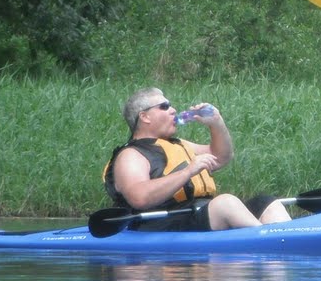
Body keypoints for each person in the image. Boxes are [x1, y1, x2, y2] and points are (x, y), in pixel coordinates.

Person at [103, 88, 291, 230]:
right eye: (164, 107)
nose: (173, 110)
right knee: (226, 202)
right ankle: (270, 239)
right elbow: (139, 198)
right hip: (159, 223)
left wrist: (216, 124)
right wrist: (188, 171)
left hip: (196, 214)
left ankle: (285, 240)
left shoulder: (177, 145)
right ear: (144, 117)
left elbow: (220, 156)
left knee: (265, 203)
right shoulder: (131, 155)